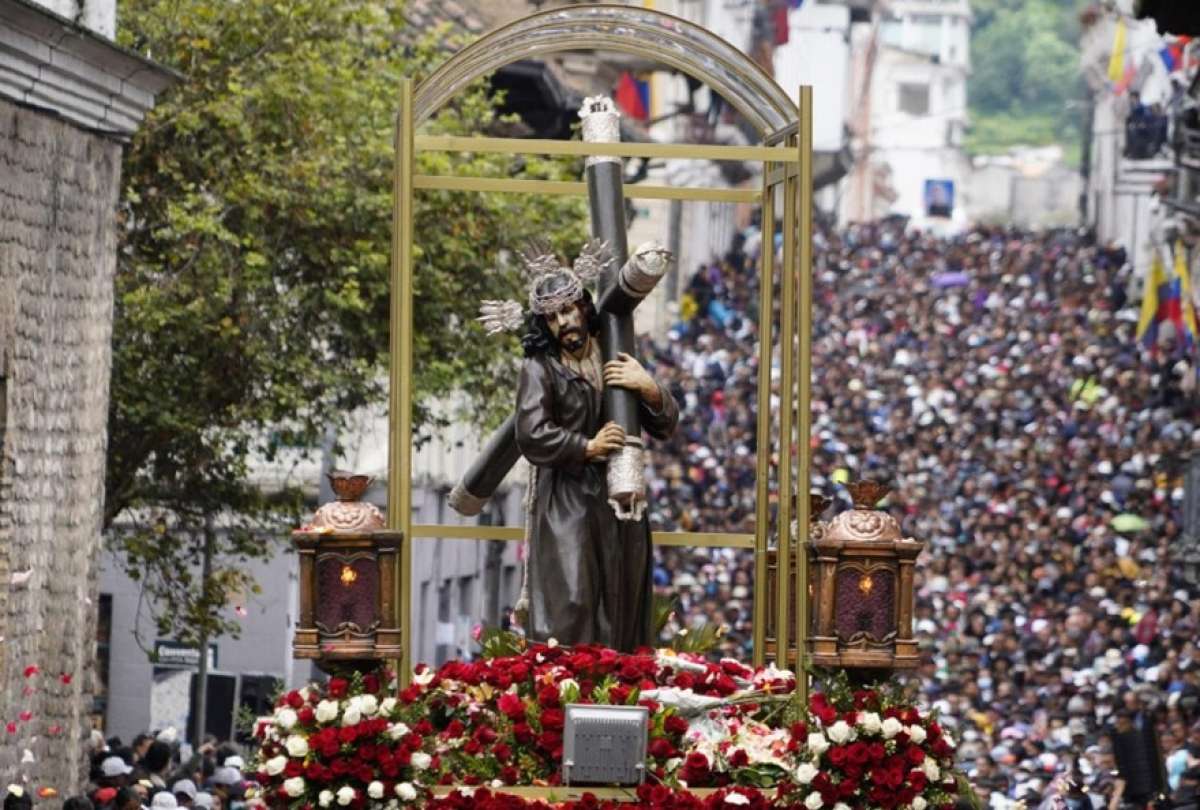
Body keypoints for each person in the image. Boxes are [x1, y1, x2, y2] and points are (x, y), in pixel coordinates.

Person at [493, 243, 679, 650]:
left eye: (569, 309)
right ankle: (569, 688)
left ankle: (619, 688)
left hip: (618, 499)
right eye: (554, 317)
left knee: (621, 597)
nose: (564, 322)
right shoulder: (540, 368)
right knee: (572, 599)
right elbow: (531, 432)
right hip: (567, 501)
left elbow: (665, 425)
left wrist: (649, 388)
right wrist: (587, 446)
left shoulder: (616, 352)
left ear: (584, 307)